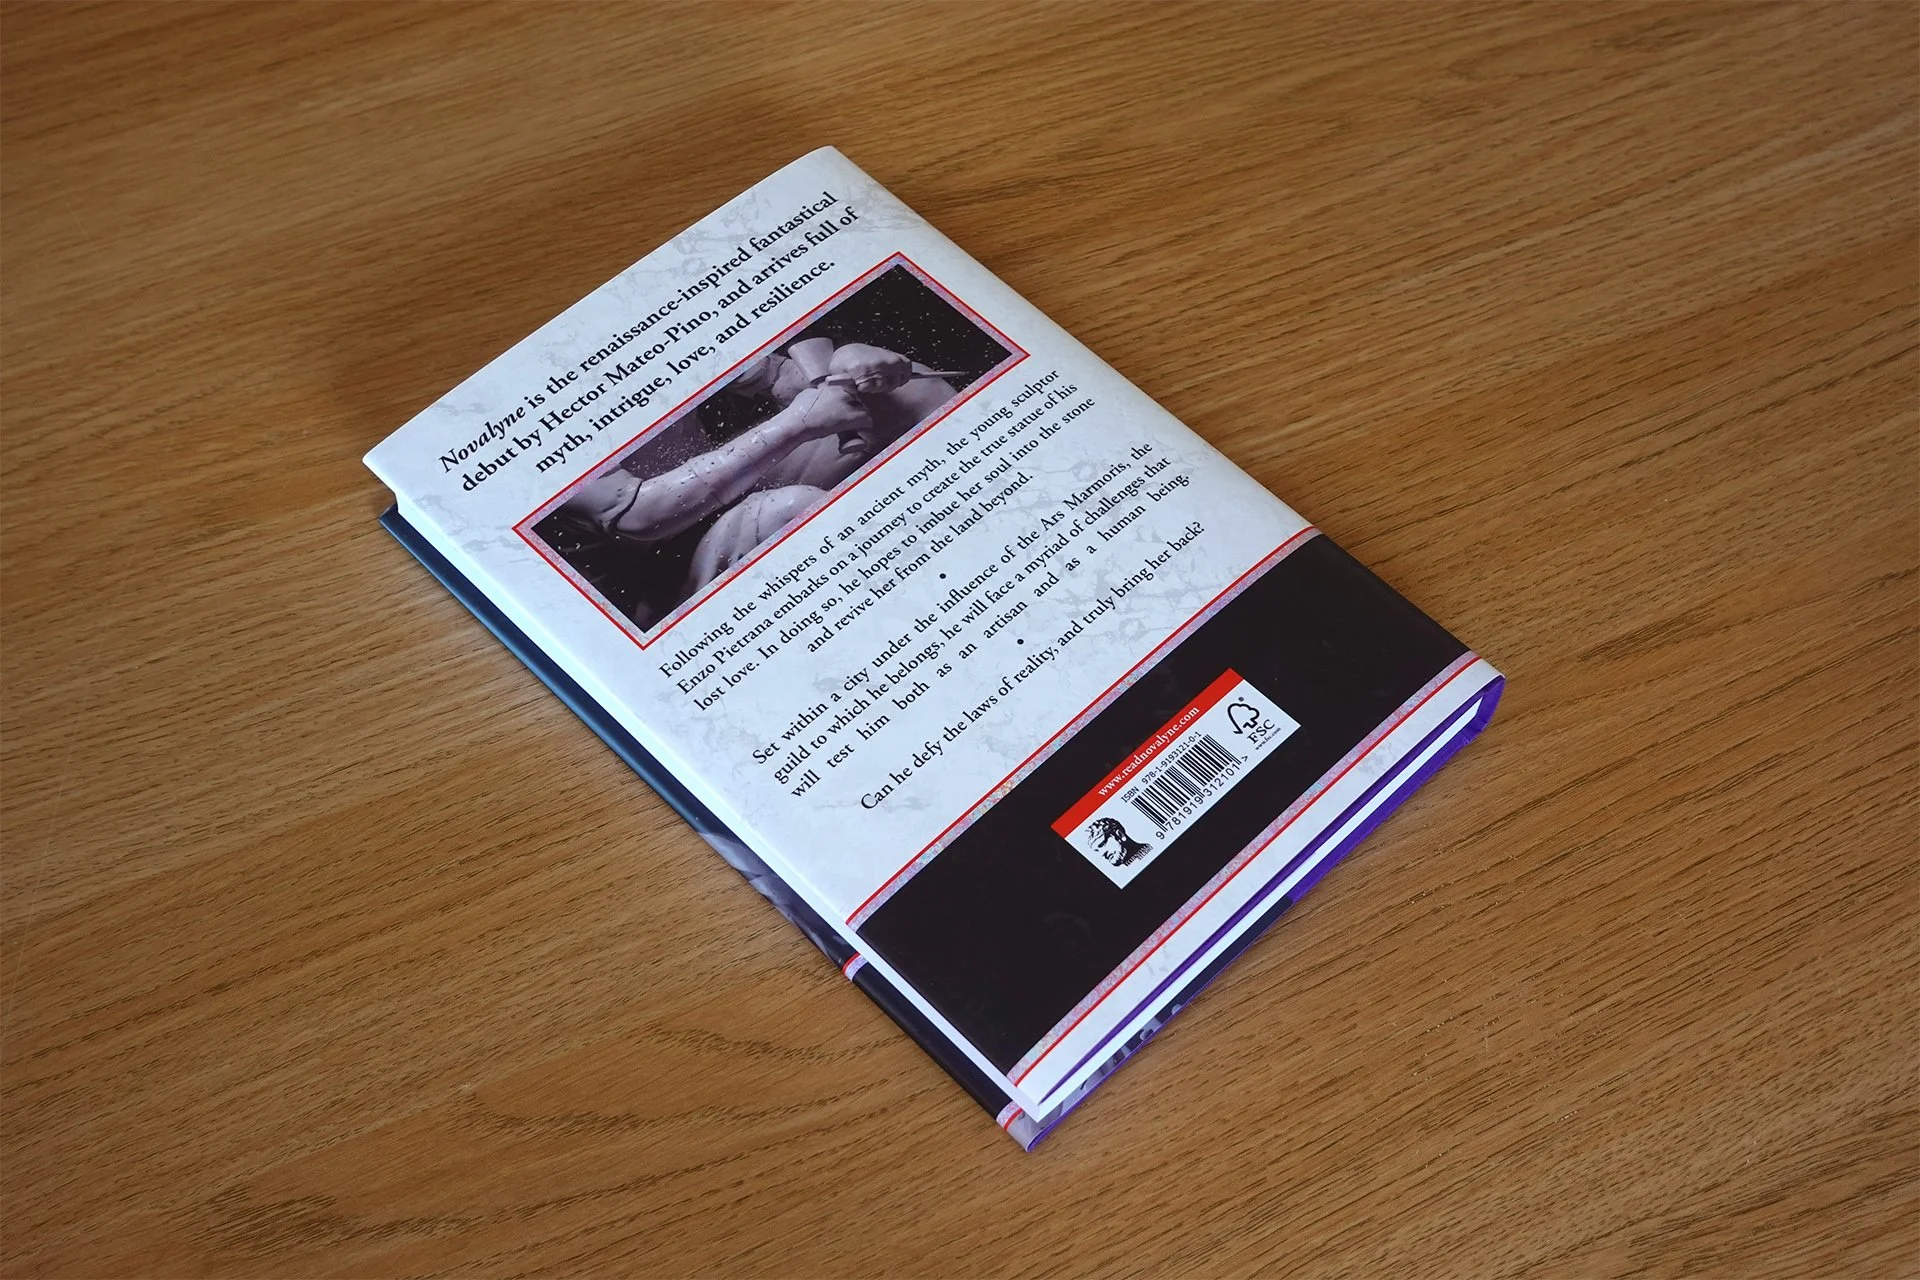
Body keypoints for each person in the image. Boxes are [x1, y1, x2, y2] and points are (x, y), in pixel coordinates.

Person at [555, 338, 959, 623]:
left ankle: (971, 511)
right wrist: (798, 423)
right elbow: (640, 515)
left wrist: (846, 371)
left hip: (722, 496)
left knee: (908, 394)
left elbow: (779, 376)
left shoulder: (646, 338)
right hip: (659, 586)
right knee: (794, 511)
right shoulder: (544, 416)